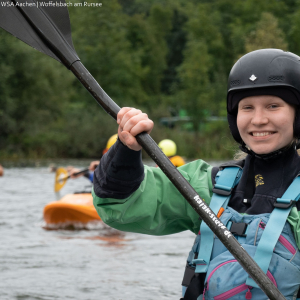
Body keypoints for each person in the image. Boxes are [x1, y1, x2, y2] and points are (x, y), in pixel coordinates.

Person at [92, 49, 300, 299]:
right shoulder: (208, 185)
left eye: (273, 106)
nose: (257, 120)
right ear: (235, 118)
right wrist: (126, 151)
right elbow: (120, 207)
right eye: (247, 108)